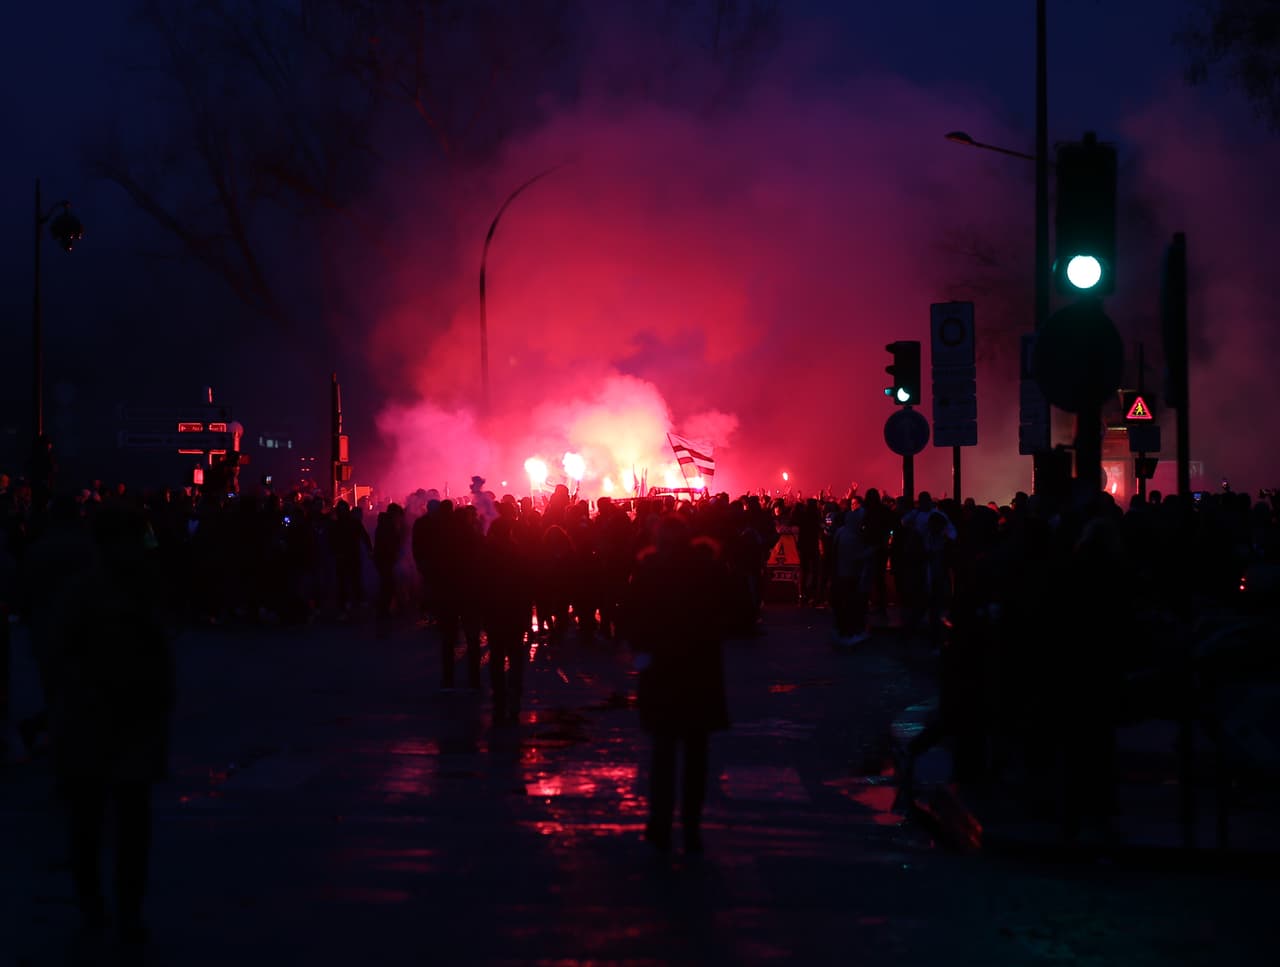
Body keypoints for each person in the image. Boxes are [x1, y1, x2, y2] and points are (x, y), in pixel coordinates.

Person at [51, 506, 175, 948]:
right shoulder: (137, 591)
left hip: (95, 723)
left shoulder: (82, 592)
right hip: (123, 723)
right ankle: (124, 912)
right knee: (128, 827)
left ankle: (97, 908)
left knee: (92, 824)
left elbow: (58, 656)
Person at [623, 513, 731, 855]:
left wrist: (642, 653)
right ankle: (691, 826)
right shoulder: (707, 571)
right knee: (696, 756)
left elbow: (632, 619)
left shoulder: (648, 572)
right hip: (699, 672)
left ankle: (659, 824)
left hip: (662, 673)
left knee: (663, 753)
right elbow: (726, 615)